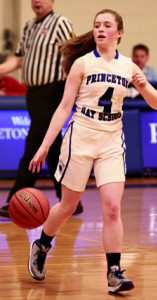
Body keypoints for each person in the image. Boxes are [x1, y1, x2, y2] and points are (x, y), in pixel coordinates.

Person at [27, 9, 157, 293]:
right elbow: (64, 107)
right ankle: (41, 245)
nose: (100, 29)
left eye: (107, 25)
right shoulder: (81, 64)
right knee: (67, 206)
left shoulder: (128, 66)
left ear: (119, 33)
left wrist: (142, 85)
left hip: (112, 139)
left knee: (112, 207)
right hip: (81, 135)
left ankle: (114, 272)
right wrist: (44, 146)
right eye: (97, 25)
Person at [0, 0, 83, 218]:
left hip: (52, 93)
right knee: (53, 150)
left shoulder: (61, 23)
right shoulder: (28, 26)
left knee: (34, 145)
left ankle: (17, 198)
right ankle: (72, 201)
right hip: (33, 95)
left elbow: (73, 56)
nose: (37, 1)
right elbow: (17, 60)